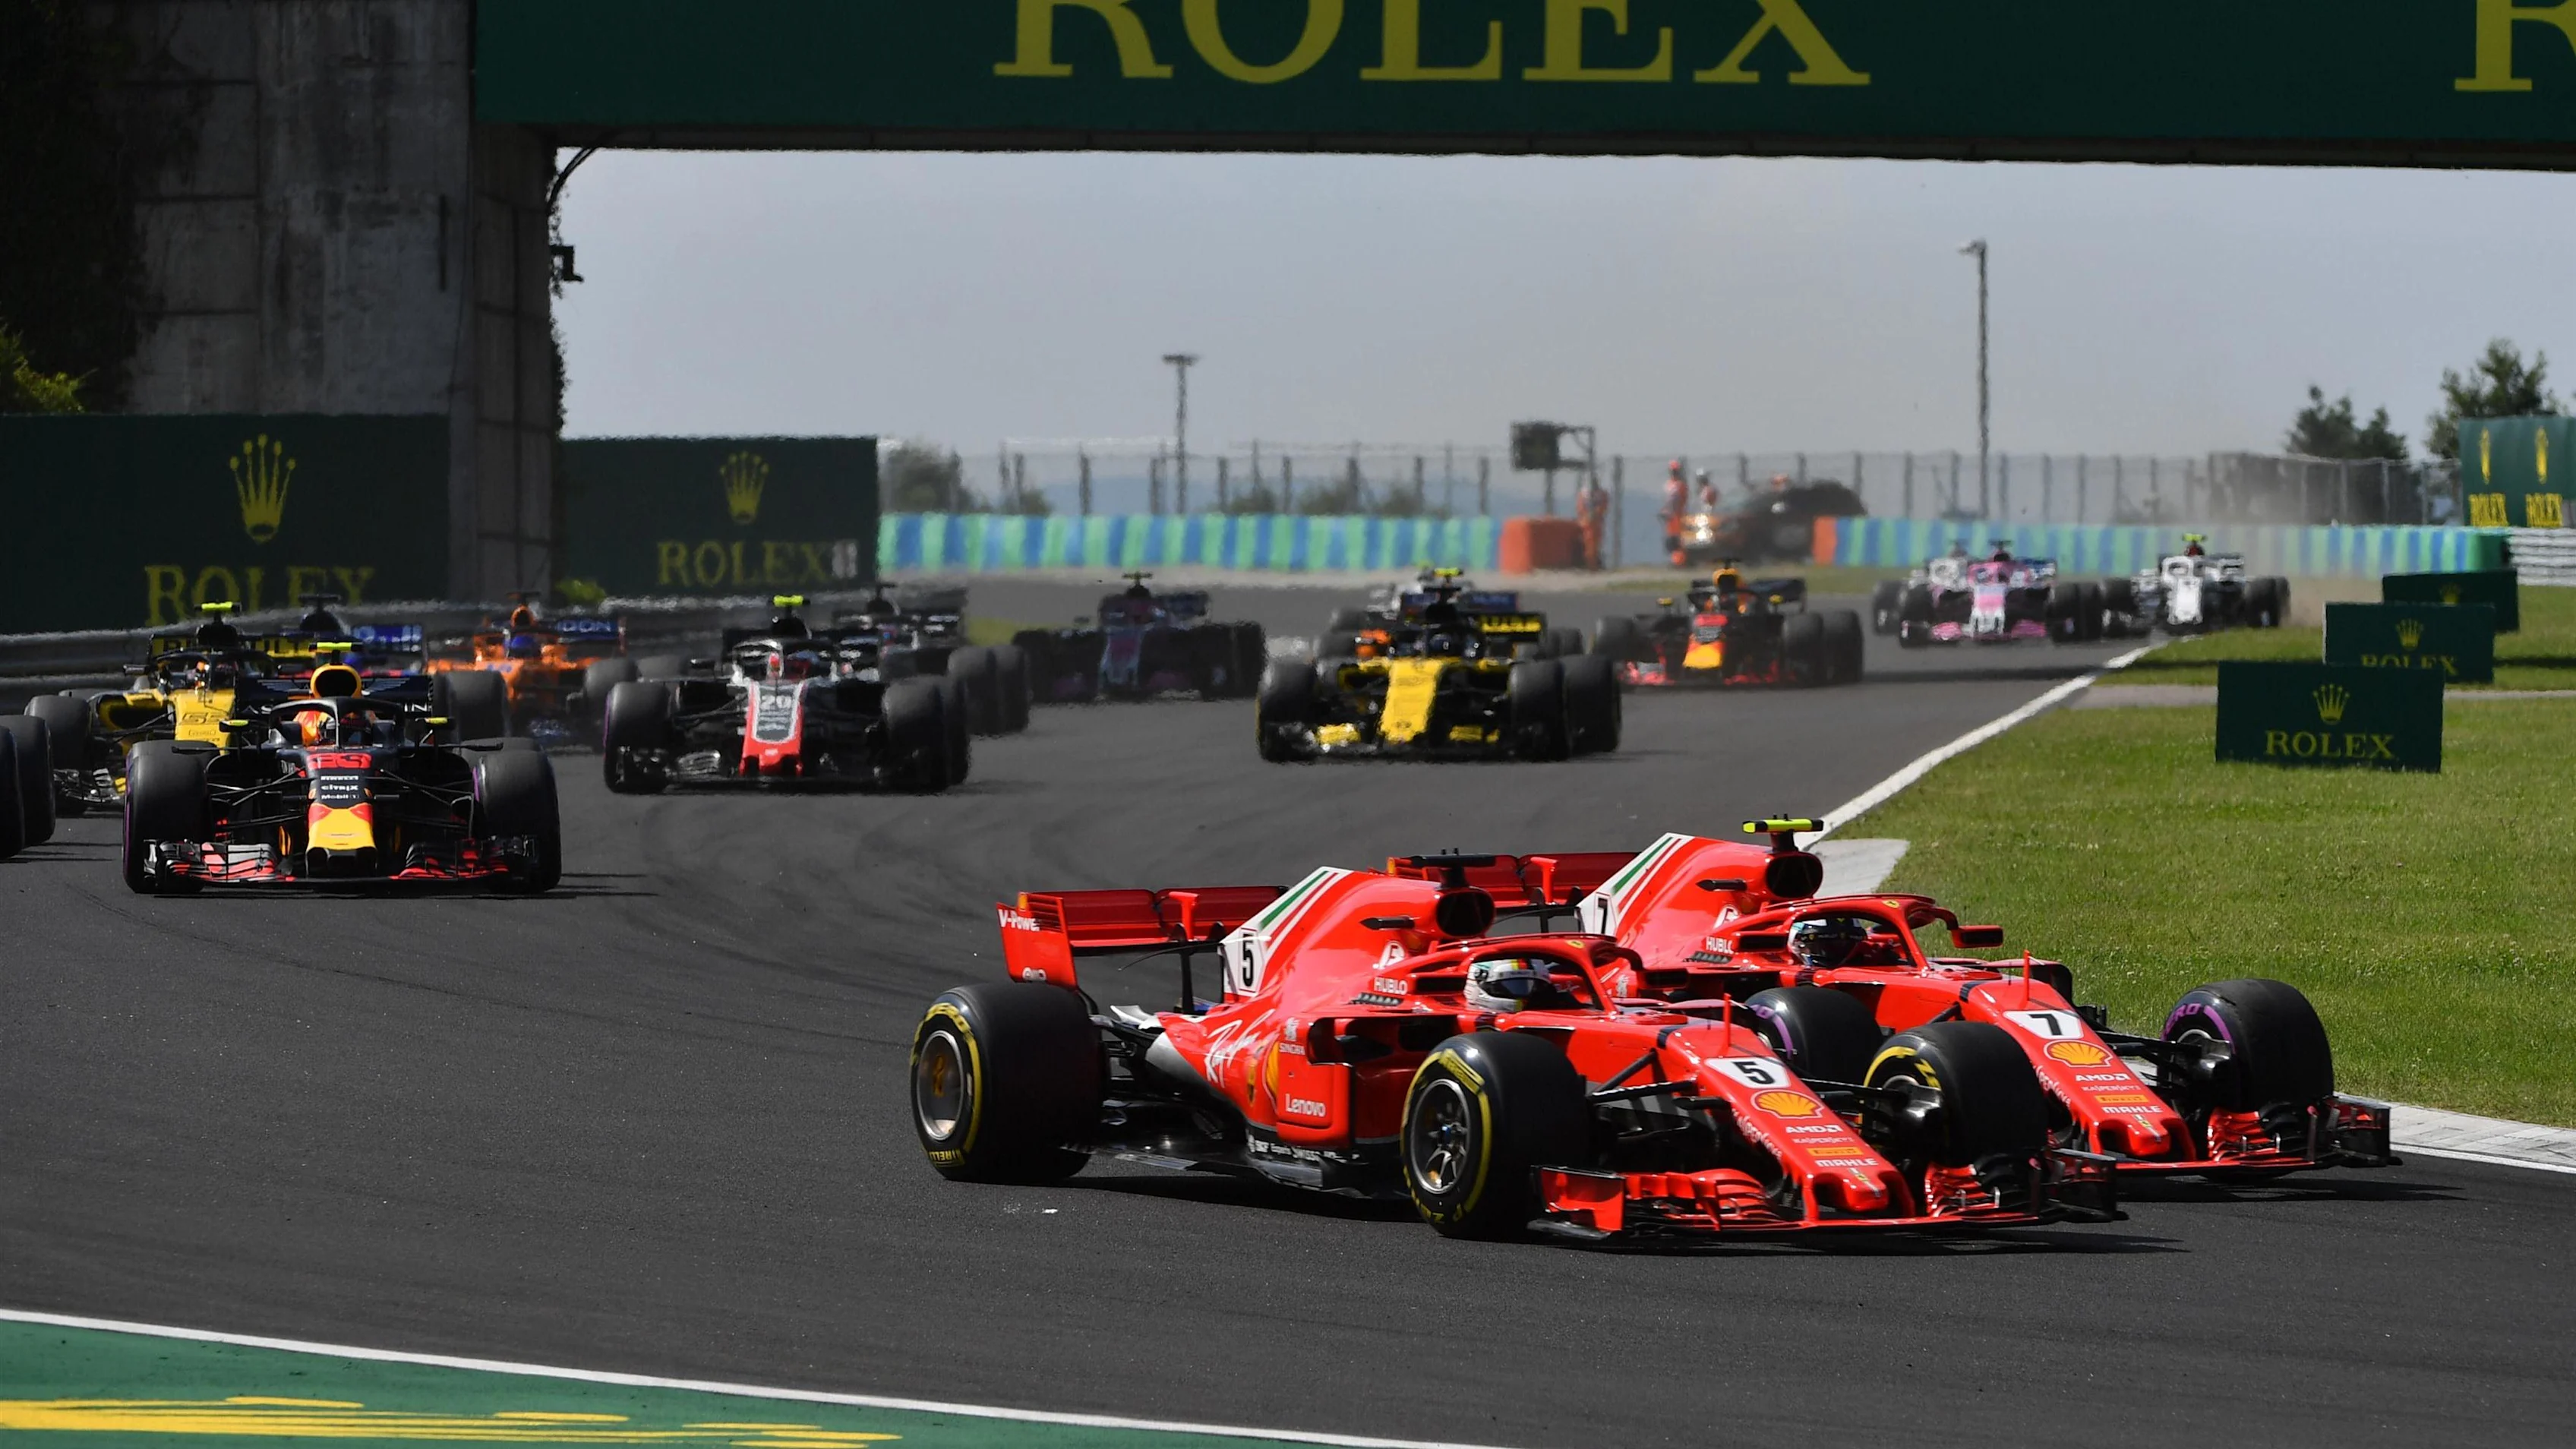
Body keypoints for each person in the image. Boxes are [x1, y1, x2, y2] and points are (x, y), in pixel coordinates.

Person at [1575, 475, 1609, 571]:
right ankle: (1590, 565)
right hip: (1586, 524)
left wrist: (1595, 514)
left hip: (1597, 524)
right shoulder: (1583, 494)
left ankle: (1594, 565)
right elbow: (1580, 508)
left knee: (1596, 545)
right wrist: (1587, 516)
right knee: (1587, 545)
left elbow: (1604, 506)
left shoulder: (1602, 494)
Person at [1660, 460, 1687, 560]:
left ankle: (1681, 559)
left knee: (1679, 538)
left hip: (1678, 515)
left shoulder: (1681, 485)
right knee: (1671, 539)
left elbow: (1680, 500)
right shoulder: (1668, 485)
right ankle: (1675, 558)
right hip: (1670, 517)